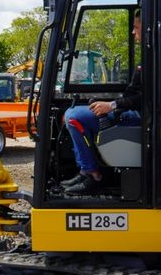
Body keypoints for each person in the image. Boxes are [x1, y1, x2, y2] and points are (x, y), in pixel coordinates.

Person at [61, 10, 143, 196]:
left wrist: (111, 106)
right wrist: (111, 101)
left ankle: (93, 174)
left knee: (73, 117)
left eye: (136, 27)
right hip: (131, 109)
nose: (133, 32)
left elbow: (145, 99)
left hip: (139, 116)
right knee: (71, 113)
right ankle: (84, 170)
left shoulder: (155, 59)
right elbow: (135, 93)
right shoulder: (150, 56)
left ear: (147, 29)